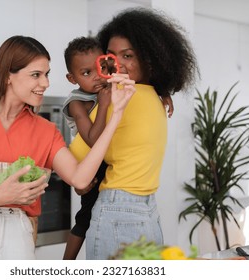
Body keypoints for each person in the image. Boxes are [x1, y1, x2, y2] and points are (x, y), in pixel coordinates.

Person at [0, 35, 135, 260]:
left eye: (46, 74)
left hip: (16, 236)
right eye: (36, 75)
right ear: (8, 75)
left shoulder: (45, 130)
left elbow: (80, 178)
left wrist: (117, 115)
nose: (45, 83)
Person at [67, 8, 199, 259]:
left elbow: (76, 155)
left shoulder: (121, 99)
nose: (118, 64)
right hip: (147, 211)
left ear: (150, 59)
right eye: (111, 56)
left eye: (128, 55)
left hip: (117, 210)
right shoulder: (155, 97)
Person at [61, 36, 174, 259]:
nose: (97, 77)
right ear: (71, 78)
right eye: (86, 73)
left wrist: (164, 91)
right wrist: (104, 105)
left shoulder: (114, 87)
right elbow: (94, 140)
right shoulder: (77, 103)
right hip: (92, 163)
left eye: (101, 67)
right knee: (83, 218)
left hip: (108, 168)